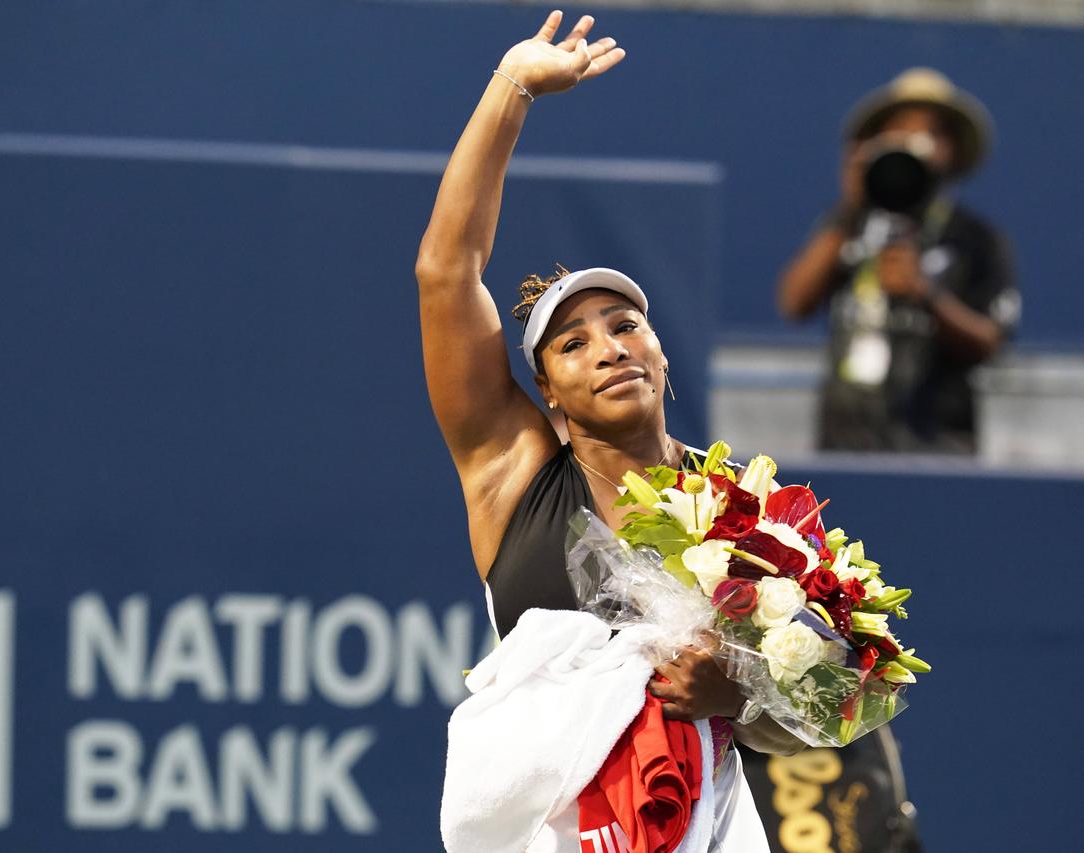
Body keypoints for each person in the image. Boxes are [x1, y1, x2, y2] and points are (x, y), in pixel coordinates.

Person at [416, 10, 801, 848]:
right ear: (547, 393)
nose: (608, 349)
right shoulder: (511, 469)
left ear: (661, 353)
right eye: (573, 342)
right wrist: (510, 88)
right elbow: (446, 272)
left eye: (625, 324)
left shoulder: (746, 510)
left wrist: (734, 691)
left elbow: (817, 711)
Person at [776, 68, 1021, 454]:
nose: (914, 142)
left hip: (939, 447)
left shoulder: (975, 237)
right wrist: (850, 206)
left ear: (953, 149)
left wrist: (926, 296)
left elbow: (991, 341)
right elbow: (793, 303)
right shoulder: (846, 224)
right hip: (843, 445)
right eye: (900, 130)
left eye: (931, 134)